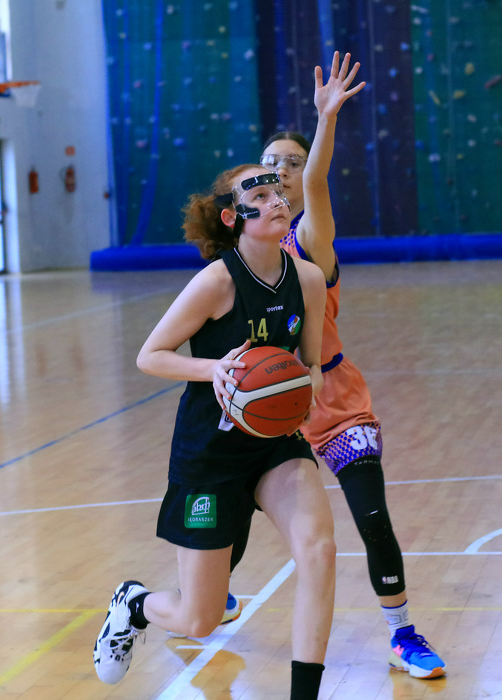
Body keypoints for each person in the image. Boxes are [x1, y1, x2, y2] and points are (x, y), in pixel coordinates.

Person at [227, 51, 446, 680]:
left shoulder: (309, 238)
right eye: (270, 162)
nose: (280, 171)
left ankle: (402, 634)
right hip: (262, 400)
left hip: (330, 397)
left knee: (372, 516)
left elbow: (318, 181)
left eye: (291, 163)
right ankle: (210, 593)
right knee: (231, 504)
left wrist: (324, 122)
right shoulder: (239, 252)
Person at [93, 163, 337, 700]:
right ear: (233, 217)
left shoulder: (308, 280)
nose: (277, 200)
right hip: (211, 452)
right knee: (199, 619)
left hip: (275, 443)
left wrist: (307, 386)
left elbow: (313, 364)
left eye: (279, 192)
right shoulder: (216, 282)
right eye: (261, 195)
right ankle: (134, 604)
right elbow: (150, 355)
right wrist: (216, 369)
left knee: (319, 551)